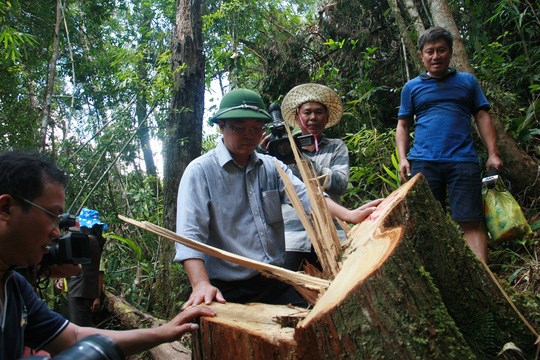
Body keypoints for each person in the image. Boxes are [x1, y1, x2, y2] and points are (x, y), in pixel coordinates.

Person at [174, 88, 381, 308]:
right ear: (221, 126)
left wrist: (349, 215)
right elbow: (189, 235)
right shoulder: (200, 171)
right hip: (226, 286)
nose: (249, 135)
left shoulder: (271, 167)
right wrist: (200, 284)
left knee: (319, 313)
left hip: (274, 279)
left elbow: (308, 198)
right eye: (239, 128)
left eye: (255, 129)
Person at [0, 151, 215, 360]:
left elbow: (73, 336)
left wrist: (165, 332)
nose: (56, 232)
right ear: (6, 208)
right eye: (51, 215)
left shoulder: (14, 288)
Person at [395, 26, 503, 263]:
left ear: (450, 52)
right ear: (422, 55)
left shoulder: (467, 82)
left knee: (471, 221)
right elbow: (403, 125)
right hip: (423, 162)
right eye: (430, 51)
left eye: (441, 50)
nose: (436, 56)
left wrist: (493, 154)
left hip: (462, 161)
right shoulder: (411, 87)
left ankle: (484, 281)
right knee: (428, 223)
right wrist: (403, 158)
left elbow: (482, 117)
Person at [275, 83, 350, 271]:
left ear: (326, 117)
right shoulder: (279, 151)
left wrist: (303, 160)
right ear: (297, 116)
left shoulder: (336, 146)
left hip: (333, 234)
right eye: (307, 112)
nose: (313, 118)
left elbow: (340, 183)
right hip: (293, 238)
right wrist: (265, 151)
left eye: (319, 112)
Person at [64, 208, 108, 326]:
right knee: (82, 323)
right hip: (85, 290)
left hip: (80, 290)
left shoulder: (86, 240)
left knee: (79, 325)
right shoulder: (95, 240)